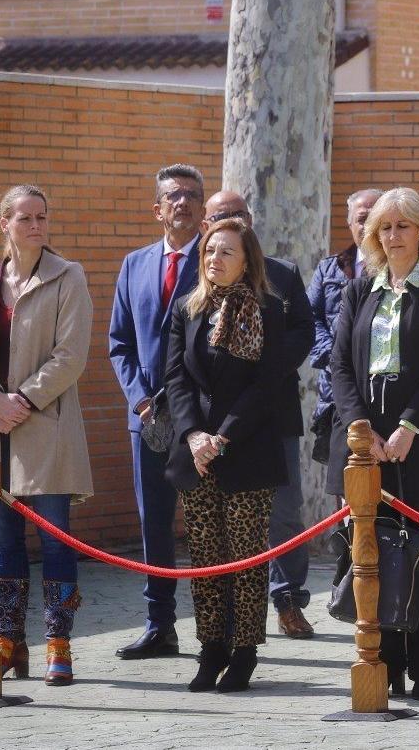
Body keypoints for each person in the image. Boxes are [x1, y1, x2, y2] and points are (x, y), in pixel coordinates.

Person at [327, 187, 419, 701]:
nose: (393, 236)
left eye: (403, 226)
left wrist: (409, 425)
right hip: (368, 445)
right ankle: (384, 665)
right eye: (384, 228)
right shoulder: (360, 289)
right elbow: (340, 363)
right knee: (376, 556)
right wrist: (360, 428)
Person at [0, 185, 93, 685]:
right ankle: (10, 643)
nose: (36, 225)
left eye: (42, 216)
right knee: (2, 542)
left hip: (45, 428)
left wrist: (23, 401)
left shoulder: (67, 277)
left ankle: (59, 643)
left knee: (55, 538)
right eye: (25, 217)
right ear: (5, 223)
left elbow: (71, 355)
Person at [164, 217, 297, 693]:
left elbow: (266, 386)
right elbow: (176, 378)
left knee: (244, 558)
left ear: (247, 261)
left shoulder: (269, 310)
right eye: (209, 252)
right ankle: (210, 648)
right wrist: (195, 436)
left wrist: (223, 436)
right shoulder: (186, 309)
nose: (214, 259)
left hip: (247, 450)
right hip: (196, 455)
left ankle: (243, 651)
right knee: (204, 558)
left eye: (226, 252)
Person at [202, 191, 317, 640]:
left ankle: (288, 600)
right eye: (221, 217)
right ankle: (227, 610)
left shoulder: (282, 274)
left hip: (273, 412)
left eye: (238, 215)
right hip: (217, 423)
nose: (231, 221)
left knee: (285, 513)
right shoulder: (200, 282)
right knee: (222, 520)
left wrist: (265, 368)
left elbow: (304, 330)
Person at [108, 164, 205, 659]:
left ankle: (219, 626)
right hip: (146, 419)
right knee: (154, 524)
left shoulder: (214, 261)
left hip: (201, 421)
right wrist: (139, 400)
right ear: (158, 208)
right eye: (173, 196)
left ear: (202, 208)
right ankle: (159, 624)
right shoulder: (134, 264)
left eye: (191, 196)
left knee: (211, 524)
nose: (182, 203)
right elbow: (119, 343)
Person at [309, 188, 382, 466]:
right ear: (350, 223)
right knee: (344, 479)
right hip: (335, 394)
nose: (369, 225)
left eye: (377, 217)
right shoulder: (330, 269)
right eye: (362, 218)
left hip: (384, 389)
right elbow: (310, 317)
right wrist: (335, 357)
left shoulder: (401, 270)